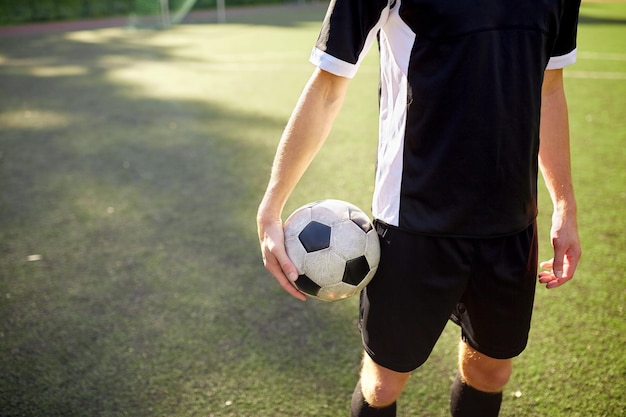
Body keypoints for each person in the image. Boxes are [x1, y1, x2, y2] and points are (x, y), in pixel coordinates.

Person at [257, 0, 582, 415]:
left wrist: (565, 206)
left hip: (511, 222)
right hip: (412, 220)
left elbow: (549, 89)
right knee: (383, 384)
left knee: (492, 373)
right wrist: (271, 205)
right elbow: (327, 88)